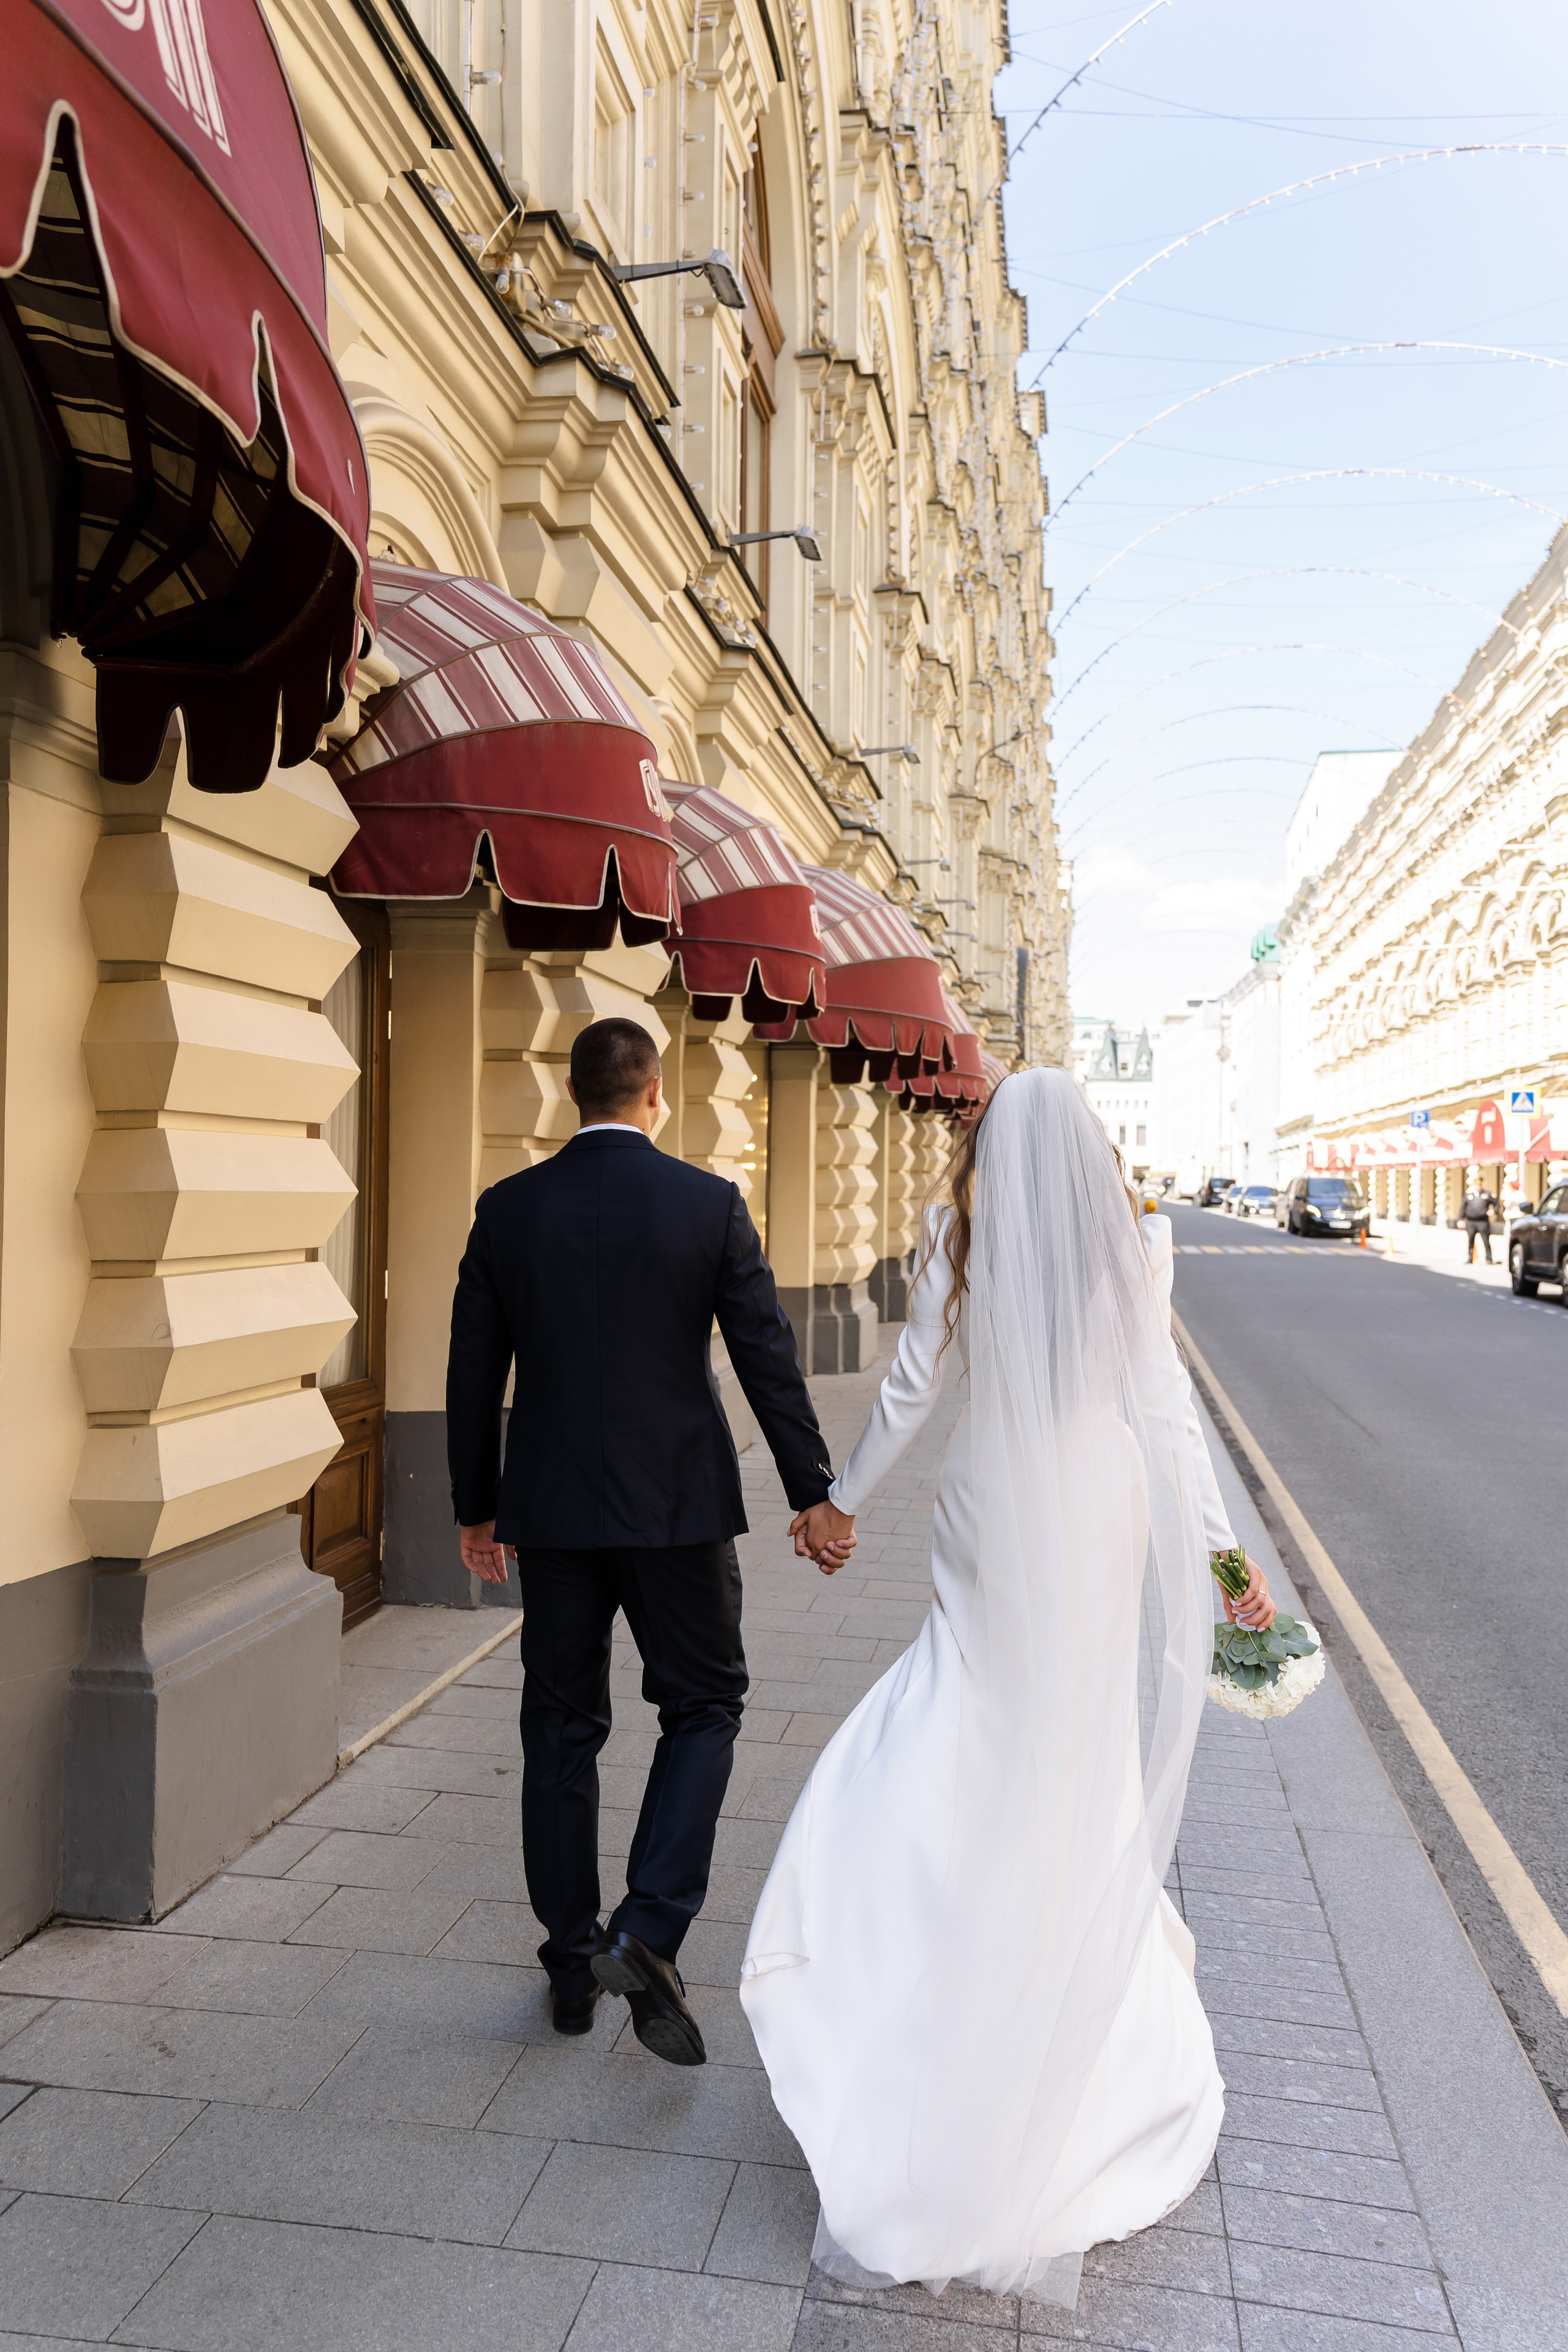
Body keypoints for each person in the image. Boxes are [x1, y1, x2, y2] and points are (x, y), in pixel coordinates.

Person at [741, 1067, 1276, 2309]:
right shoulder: (1136, 1244)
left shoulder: (953, 1233)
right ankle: (1062, 2013)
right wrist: (1223, 1559)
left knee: (955, 1714)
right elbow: (1161, 1410)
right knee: (1074, 1757)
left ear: (990, 1145)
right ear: (1090, 1152)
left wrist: (837, 1503)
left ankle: (901, 1931)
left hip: (988, 1507)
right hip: (1097, 1511)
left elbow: (912, 1387)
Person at [446, 1017, 849, 2065]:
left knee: (561, 1727)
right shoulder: (706, 1205)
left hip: (555, 1512)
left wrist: (474, 1506)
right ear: (656, 1094)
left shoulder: (509, 1210)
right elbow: (767, 1354)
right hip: (677, 1508)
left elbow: (471, 1370)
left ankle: (574, 1966)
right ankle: (651, 1925)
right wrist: (816, 1491)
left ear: (570, 1095)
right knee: (705, 1704)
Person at [1461, 1182, 1498, 1264]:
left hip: (1483, 1222)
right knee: (1471, 1241)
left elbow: (1497, 1203)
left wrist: (1494, 1211)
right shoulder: (1469, 1195)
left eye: (1479, 1185)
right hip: (1471, 1222)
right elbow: (1463, 1208)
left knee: (1486, 1241)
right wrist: (1461, 1219)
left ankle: (1489, 1259)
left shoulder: (1487, 1194)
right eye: (1476, 1185)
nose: (1478, 1187)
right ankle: (1470, 1258)